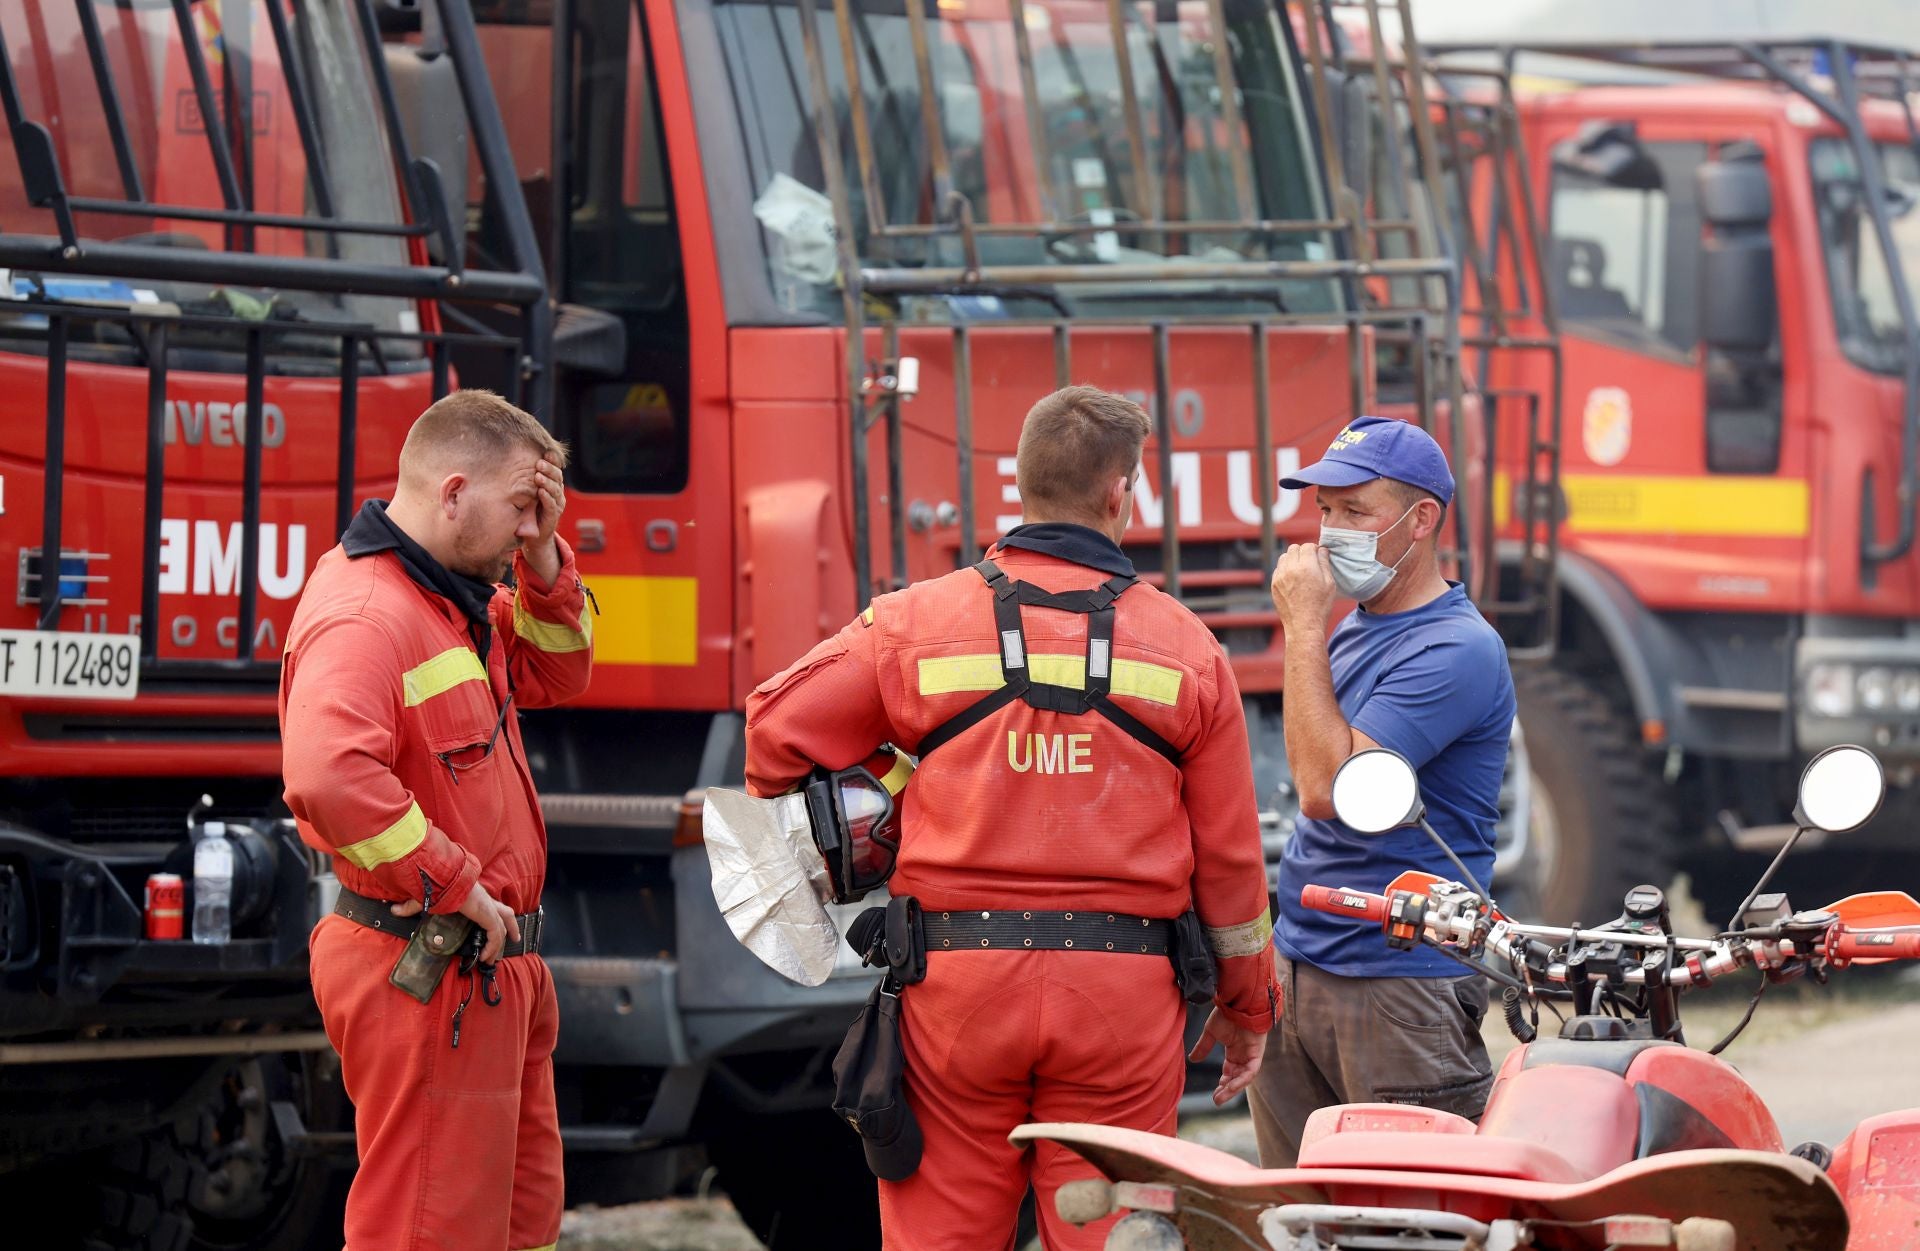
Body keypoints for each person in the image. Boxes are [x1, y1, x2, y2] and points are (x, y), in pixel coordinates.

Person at [744, 385, 1279, 1250]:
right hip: (1122, 1004)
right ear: (1119, 493)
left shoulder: (914, 623)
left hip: (954, 999)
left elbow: (773, 735)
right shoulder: (1191, 649)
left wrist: (902, 775)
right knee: (1110, 1236)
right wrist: (1249, 1009)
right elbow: (1229, 864)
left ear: (1018, 488)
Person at [279, 389, 593, 1251]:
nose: (528, 531)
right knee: (427, 1232)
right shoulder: (370, 615)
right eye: (520, 509)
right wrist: (456, 883)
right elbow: (326, 775)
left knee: (517, 1227)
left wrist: (544, 553)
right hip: (429, 966)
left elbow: (560, 675)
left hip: (489, 973)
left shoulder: (452, 598)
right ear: (452, 492)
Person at [1247, 415, 1515, 1168]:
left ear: (1420, 519)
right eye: (1324, 511)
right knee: (1294, 1216)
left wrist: (1303, 625)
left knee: (1408, 1216)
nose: (1330, 533)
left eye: (1354, 512)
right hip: (1302, 963)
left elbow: (1326, 788)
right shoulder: (1360, 625)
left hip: (1395, 984)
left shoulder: (1455, 647)